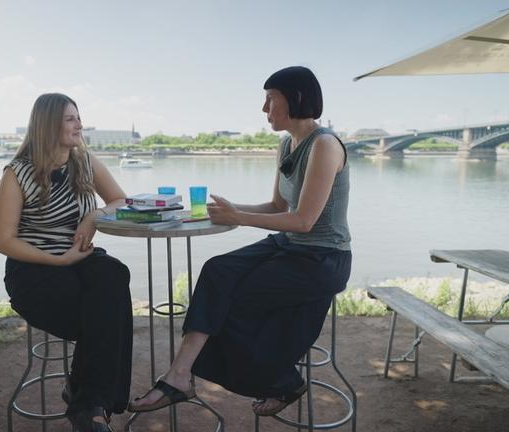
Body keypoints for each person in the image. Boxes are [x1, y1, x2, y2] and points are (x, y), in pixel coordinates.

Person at [128, 66, 351, 417]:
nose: (264, 109)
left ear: (295, 99)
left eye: (270, 99)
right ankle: (178, 376)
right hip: (289, 245)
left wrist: (239, 218)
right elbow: (278, 207)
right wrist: (223, 211)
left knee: (236, 300)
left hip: (323, 258)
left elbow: (305, 221)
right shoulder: (287, 144)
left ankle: (282, 380)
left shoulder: (324, 145)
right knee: (217, 271)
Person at [0, 93, 132, 432]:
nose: (79, 125)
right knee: (101, 314)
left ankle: (87, 401)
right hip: (33, 269)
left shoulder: (84, 161)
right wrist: (58, 261)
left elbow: (120, 200)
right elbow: (4, 242)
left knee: (115, 274)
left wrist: (94, 216)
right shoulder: (18, 173)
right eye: (71, 118)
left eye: (78, 117)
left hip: (80, 261)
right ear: (48, 123)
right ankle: (90, 402)